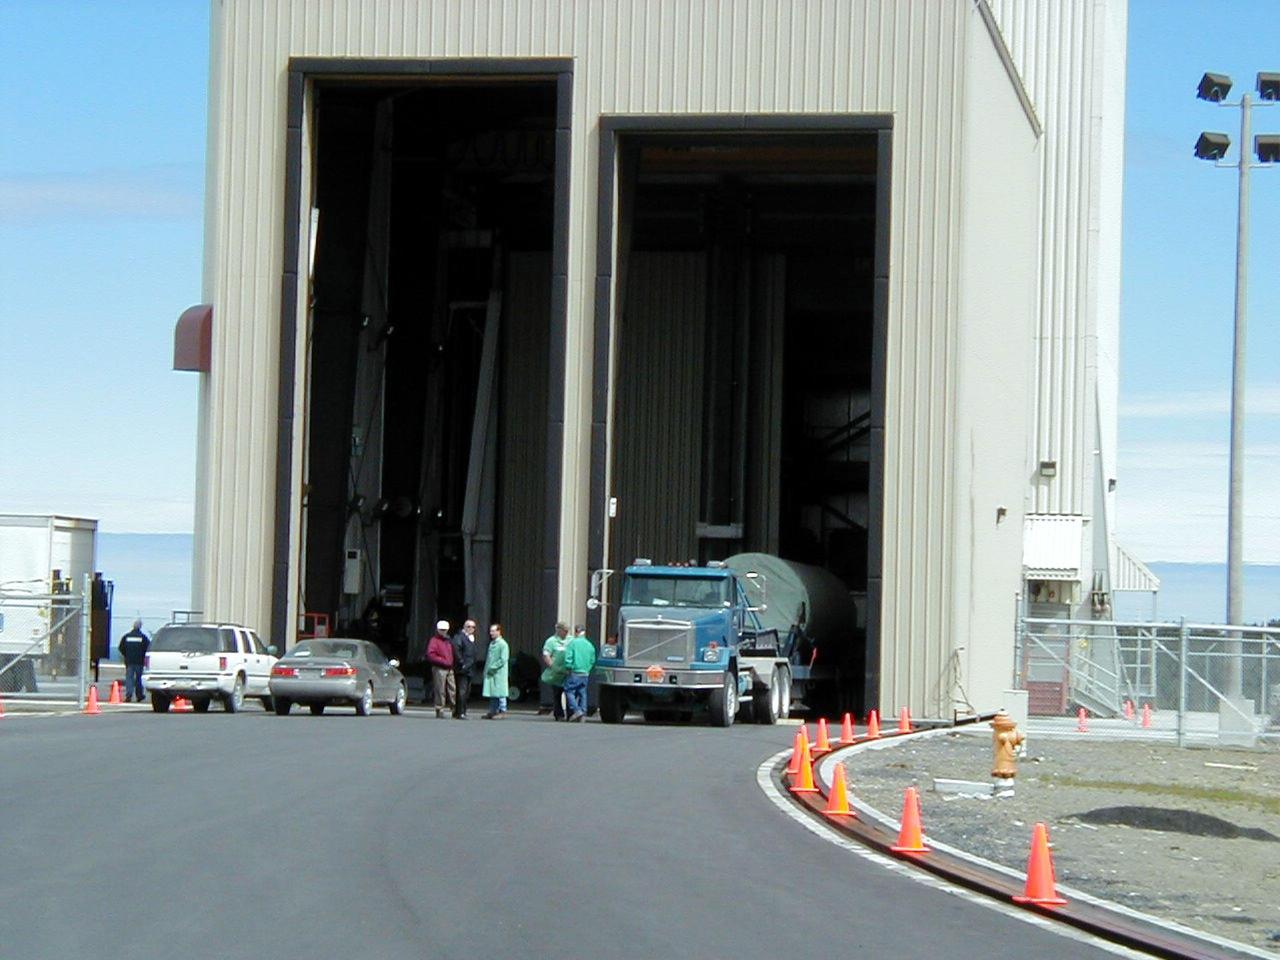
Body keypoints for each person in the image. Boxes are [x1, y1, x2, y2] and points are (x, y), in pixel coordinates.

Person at [561, 625, 596, 722]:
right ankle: (583, 713)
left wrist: (568, 667)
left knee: (569, 690)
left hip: (575, 672)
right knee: (582, 693)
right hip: (585, 673)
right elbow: (592, 660)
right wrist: (587, 669)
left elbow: (568, 657)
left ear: (576, 632)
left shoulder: (573, 643)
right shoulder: (589, 645)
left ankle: (577, 710)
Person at [539, 621, 569, 719]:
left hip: (568, 673)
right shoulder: (551, 641)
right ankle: (559, 714)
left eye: (567, 631)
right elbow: (546, 655)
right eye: (564, 630)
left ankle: (571, 714)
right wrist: (552, 666)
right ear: (558, 630)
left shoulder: (571, 640)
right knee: (557, 694)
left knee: (570, 694)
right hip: (556, 673)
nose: (566, 633)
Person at [426, 619, 455, 719]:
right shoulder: (434, 641)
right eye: (441, 630)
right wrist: (443, 661)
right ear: (438, 630)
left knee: (452, 689)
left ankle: (454, 707)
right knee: (440, 689)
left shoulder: (449, 640)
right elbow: (430, 655)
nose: (443, 631)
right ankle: (440, 709)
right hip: (439, 668)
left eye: (445, 630)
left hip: (450, 668)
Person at [117, 619, 150, 703]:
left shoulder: (126, 636)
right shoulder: (143, 637)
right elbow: (148, 648)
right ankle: (139, 695)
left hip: (129, 661)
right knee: (139, 679)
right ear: (140, 627)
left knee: (129, 679)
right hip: (139, 662)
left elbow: (121, 647)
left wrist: (126, 655)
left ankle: (128, 695)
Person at [451, 619, 477, 719]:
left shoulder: (471, 638)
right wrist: (462, 663)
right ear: (464, 627)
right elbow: (456, 650)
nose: (471, 629)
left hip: (470, 669)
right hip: (463, 669)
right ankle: (459, 712)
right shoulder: (459, 637)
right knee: (461, 691)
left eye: (473, 627)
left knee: (467, 692)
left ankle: (463, 711)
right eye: (469, 626)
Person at [482, 623, 509, 719]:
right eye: (490, 631)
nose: (491, 633)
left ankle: (502, 711)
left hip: (499, 673)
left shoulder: (503, 644)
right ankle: (493, 711)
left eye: (493, 631)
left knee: (501, 692)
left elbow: (503, 659)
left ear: (499, 631)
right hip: (491, 673)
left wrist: (493, 667)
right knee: (493, 692)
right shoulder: (492, 643)